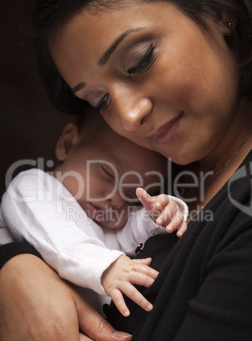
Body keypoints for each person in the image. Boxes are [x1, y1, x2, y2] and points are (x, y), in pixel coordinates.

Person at [0, 0, 252, 341]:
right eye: (101, 100)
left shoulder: (249, 201)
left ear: (217, 10)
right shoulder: (168, 163)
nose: (127, 117)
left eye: (139, 61)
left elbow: (135, 227)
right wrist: (16, 270)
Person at [0, 107, 188, 318]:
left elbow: (130, 235)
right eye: (108, 173)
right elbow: (56, 234)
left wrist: (158, 215)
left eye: (132, 198)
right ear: (68, 144)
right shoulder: (32, 187)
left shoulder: (103, 227)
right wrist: (106, 267)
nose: (116, 200)